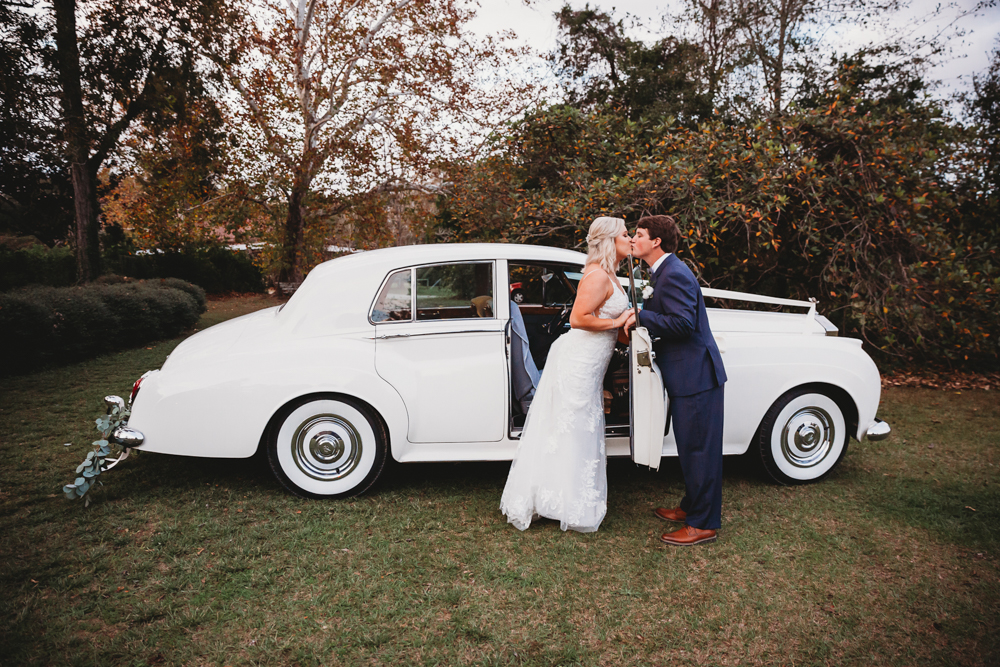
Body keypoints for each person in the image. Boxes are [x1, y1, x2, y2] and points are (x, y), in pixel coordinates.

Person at [500, 217, 635, 533]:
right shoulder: (597, 276)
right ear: (611, 240)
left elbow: (606, 319)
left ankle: (562, 498)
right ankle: (560, 501)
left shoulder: (610, 275)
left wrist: (627, 325)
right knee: (571, 427)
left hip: (591, 361)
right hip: (578, 361)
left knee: (575, 428)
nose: (630, 238)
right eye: (626, 234)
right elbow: (578, 318)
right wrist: (617, 324)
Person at [631, 215, 727, 546]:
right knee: (690, 448)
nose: (634, 238)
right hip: (687, 373)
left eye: (639, 234)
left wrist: (641, 316)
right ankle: (691, 508)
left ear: (656, 241)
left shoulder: (674, 274)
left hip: (697, 375)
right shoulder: (662, 272)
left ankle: (703, 524)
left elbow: (684, 323)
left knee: (700, 450)